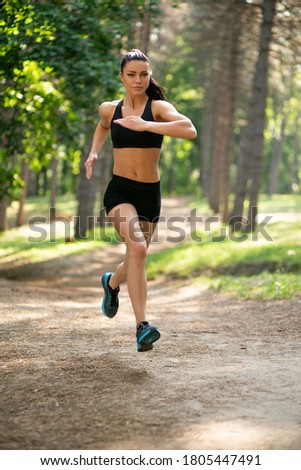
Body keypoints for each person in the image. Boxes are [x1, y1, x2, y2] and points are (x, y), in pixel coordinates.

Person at [85, 49, 197, 352]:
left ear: (150, 75)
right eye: (132, 74)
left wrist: (147, 125)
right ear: (122, 77)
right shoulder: (110, 108)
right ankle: (142, 326)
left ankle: (111, 283)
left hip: (150, 194)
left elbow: (189, 129)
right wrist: (94, 151)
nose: (138, 80)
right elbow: (103, 126)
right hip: (120, 191)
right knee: (136, 247)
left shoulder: (158, 107)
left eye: (144, 74)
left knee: (135, 257)